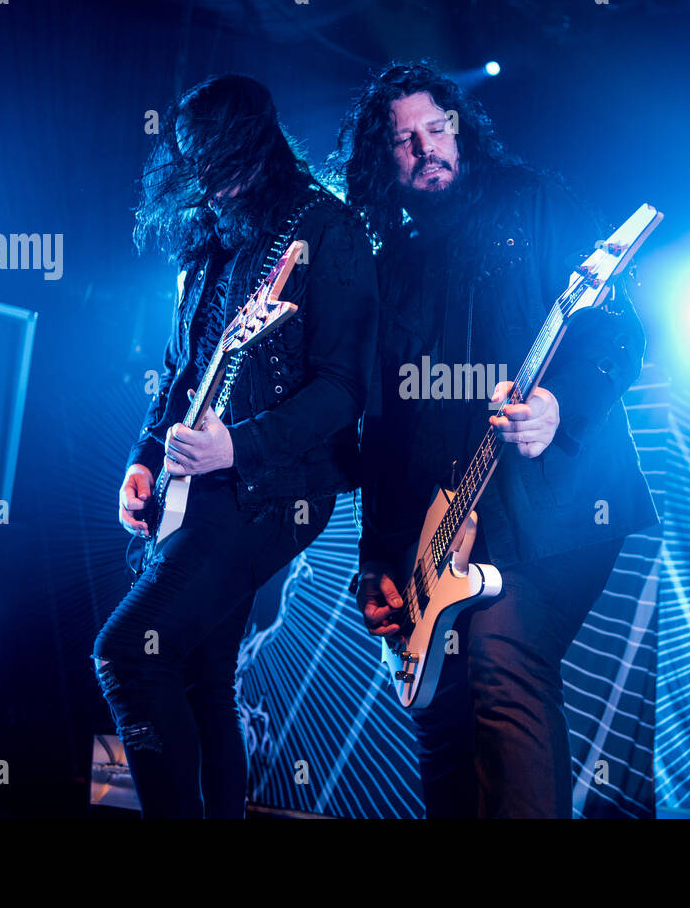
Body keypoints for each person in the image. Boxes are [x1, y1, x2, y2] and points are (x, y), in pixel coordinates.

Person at [333, 60, 659, 817]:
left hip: (560, 509)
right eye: (402, 140)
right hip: (447, 531)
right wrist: (377, 564)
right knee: (440, 713)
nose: (424, 148)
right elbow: (383, 435)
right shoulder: (391, 269)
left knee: (502, 660)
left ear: (461, 129)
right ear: (382, 162)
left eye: (436, 128)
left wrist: (559, 405)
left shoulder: (535, 204)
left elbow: (620, 331)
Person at [93, 74, 377, 817]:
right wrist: (143, 458)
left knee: (128, 654)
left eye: (216, 155)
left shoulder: (327, 230)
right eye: (193, 160)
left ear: (255, 141)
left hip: (276, 487)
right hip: (198, 489)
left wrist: (238, 448)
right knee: (200, 680)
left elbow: (345, 387)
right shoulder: (210, 241)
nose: (206, 176)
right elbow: (183, 372)